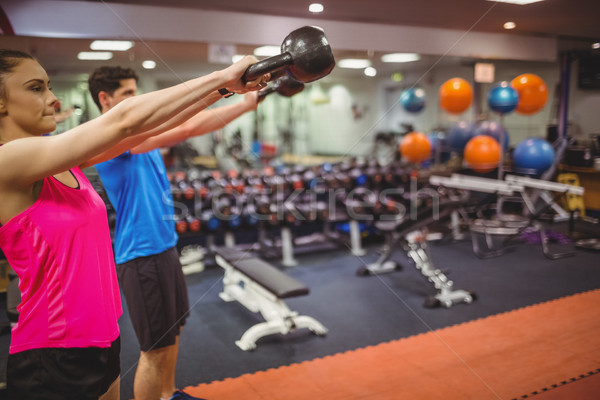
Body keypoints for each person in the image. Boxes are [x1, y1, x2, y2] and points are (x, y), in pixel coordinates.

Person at [0, 48, 267, 400]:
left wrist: (230, 91)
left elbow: (153, 126)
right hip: (53, 349)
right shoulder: (8, 161)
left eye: (49, 86)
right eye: (36, 88)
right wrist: (223, 76)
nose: (52, 99)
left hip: (103, 334)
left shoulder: (61, 160)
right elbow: (123, 120)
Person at [88, 66, 263, 400]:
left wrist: (245, 97)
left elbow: (182, 122)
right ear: (104, 98)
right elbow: (188, 127)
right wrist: (238, 98)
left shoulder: (142, 133)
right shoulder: (112, 138)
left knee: (174, 330)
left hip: (165, 246)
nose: (135, 101)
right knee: (153, 349)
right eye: (127, 94)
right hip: (140, 255)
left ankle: (168, 395)